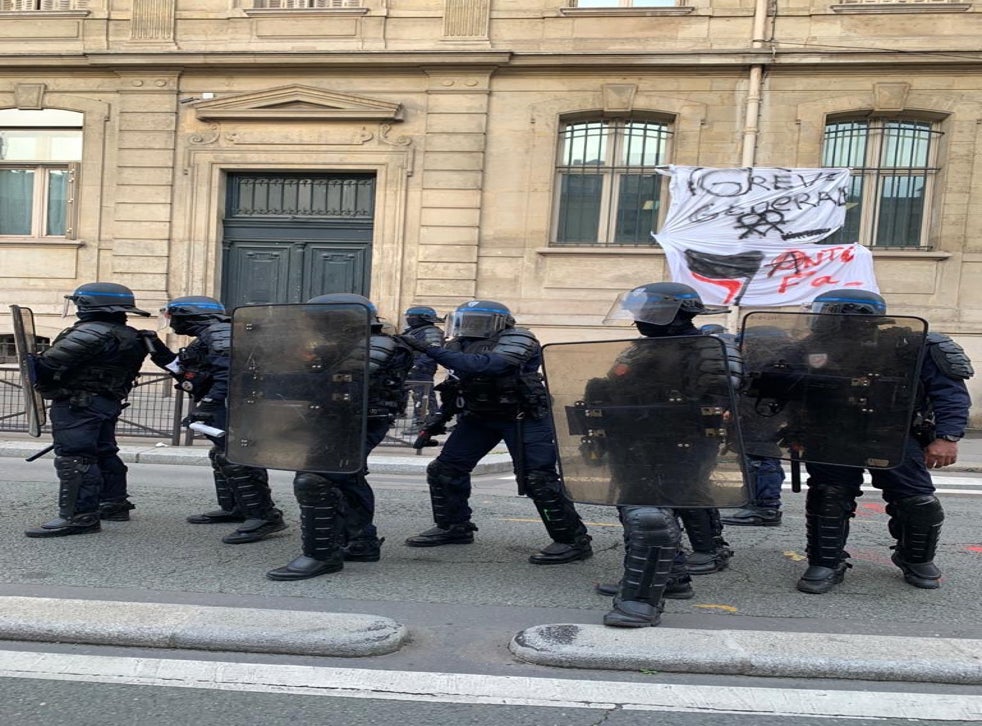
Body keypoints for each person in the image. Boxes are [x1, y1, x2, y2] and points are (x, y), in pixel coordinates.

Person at [789, 289, 972, 593]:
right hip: (831, 435)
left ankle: (915, 559)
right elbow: (793, 394)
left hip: (894, 434)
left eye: (824, 311)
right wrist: (793, 431)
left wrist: (947, 436)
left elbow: (949, 393)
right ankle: (825, 562)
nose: (818, 317)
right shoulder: (810, 348)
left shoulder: (913, 345)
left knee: (918, 502)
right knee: (829, 497)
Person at [585, 282, 742, 626]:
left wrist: (663, 395)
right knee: (633, 506)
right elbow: (620, 385)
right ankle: (672, 577)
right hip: (635, 437)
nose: (639, 319)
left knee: (651, 512)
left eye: (646, 312)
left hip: (679, 441)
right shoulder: (641, 349)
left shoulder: (709, 346)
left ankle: (643, 599)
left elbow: (721, 390)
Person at [398, 299, 593, 565]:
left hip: (522, 417)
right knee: (445, 470)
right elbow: (455, 386)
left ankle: (572, 540)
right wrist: (435, 423)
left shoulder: (520, 338)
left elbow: (486, 365)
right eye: (465, 321)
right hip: (479, 416)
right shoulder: (458, 344)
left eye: (475, 321)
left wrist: (431, 350)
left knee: (538, 479)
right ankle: (454, 526)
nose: (468, 327)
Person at [267, 293, 415, 580]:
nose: (314, 327)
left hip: (359, 420)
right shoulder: (345, 345)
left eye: (318, 321)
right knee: (347, 476)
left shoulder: (377, 344)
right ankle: (361, 542)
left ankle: (322, 555)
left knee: (315, 478)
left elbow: (347, 380)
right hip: (338, 418)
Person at [142, 296, 286, 545]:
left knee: (237, 457)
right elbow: (181, 368)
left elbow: (230, 375)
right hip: (228, 406)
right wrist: (154, 346)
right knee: (222, 455)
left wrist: (208, 405)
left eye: (172, 316)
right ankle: (236, 508)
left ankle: (264, 516)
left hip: (235, 407)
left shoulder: (219, 332)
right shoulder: (209, 335)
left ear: (190, 315)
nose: (171, 321)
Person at [24, 283, 150, 538]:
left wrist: (37, 366)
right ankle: (114, 503)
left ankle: (80, 517)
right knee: (104, 452)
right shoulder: (131, 334)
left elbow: (49, 364)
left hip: (78, 404)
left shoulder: (92, 332)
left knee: (75, 458)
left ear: (88, 305)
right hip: (106, 402)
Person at [401, 305, 445, 426]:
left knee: (423, 395)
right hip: (412, 367)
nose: (408, 319)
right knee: (412, 393)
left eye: (411, 316)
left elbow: (433, 351)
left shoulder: (430, 331)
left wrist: (418, 365)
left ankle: (426, 422)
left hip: (421, 368)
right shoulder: (416, 330)